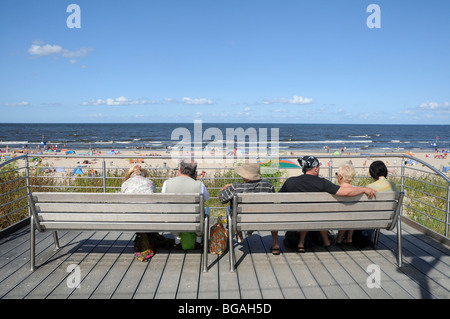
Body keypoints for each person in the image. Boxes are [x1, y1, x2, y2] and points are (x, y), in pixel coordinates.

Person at [279, 156, 377, 253]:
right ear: (316, 168)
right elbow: (345, 192)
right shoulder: (322, 183)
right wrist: (363, 189)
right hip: (313, 219)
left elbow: (278, 200)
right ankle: (308, 241)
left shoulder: (290, 181)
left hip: (292, 219)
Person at [218, 163, 279, 254]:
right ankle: (275, 244)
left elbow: (222, 199)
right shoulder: (268, 185)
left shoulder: (235, 187)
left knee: (233, 211)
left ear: (245, 177)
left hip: (241, 221)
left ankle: (238, 233)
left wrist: (224, 188)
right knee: (270, 213)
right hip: (265, 219)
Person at [161, 159, 209, 248]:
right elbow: (206, 198)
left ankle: (177, 241)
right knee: (205, 212)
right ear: (195, 172)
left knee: (172, 212)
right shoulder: (199, 185)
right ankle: (198, 241)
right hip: (194, 222)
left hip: (173, 221)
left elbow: (164, 200)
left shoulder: (167, 183)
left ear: (179, 169)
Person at [335, 163, 356, 245]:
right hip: (354, 217)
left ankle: (339, 239)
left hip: (337, 217)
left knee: (344, 215)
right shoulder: (357, 190)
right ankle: (349, 238)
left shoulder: (337, 190)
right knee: (352, 215)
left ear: (340, 177)